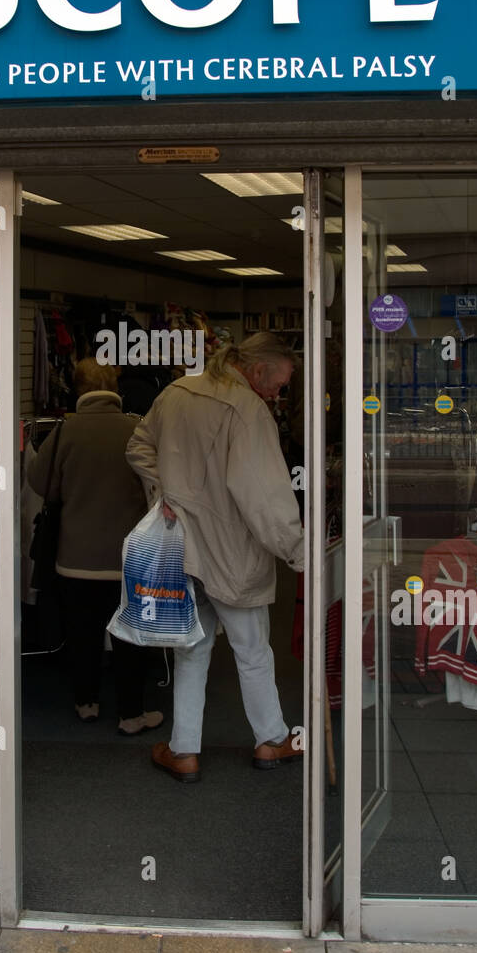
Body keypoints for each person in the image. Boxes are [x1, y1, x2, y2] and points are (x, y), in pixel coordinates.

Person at [126, 332, 305, 782]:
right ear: (257, 369)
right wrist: (298, 551)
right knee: (252, 650)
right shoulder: (248, 411)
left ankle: (185, 750)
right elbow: (262, 495)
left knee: (191, 648)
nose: (279, 393)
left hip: (180, 547)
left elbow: (137, 446)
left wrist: (165, 490)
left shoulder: (175, 393)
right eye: (280, 383)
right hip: (230, 551)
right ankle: (272, 739)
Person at [28, 357, 164, 735]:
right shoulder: (137, 429)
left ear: (77, 389)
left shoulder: (65, 432)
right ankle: (131, 714)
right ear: (114, 388)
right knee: (129, 638)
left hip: (75, 558)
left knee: (82, 635)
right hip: (128, 557)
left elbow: (42, 485)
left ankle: (86, 702)